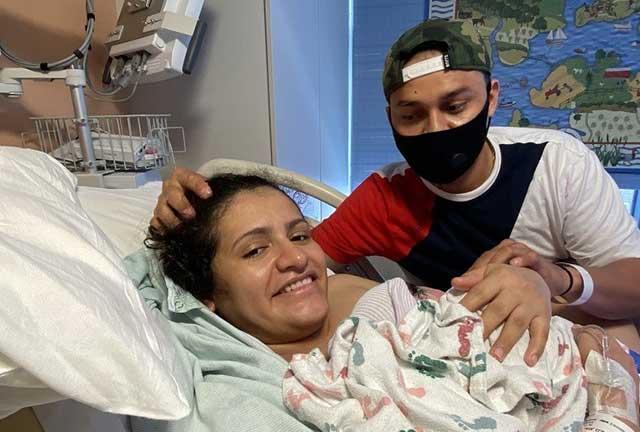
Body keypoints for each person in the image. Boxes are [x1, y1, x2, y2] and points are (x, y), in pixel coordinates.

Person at [150, 19, 640, 366]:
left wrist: (556, 280)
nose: (436, 128)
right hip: (473, 355)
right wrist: (186, 217)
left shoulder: (555, 163)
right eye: (411, 115)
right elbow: (287, 263)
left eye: (455, 105)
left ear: (491, 99)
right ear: (390, 120)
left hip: (578, 332)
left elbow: (633, 287)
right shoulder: (385, 199)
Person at [144, 173, 640, 432]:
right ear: (205, 292)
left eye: (301, 234)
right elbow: (128, 285)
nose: (295, 256)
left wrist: (542, 280)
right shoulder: (260, 385)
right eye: (255, 250)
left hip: (578, 360)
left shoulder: (556, 165)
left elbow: (586, 342)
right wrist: (164, 227)